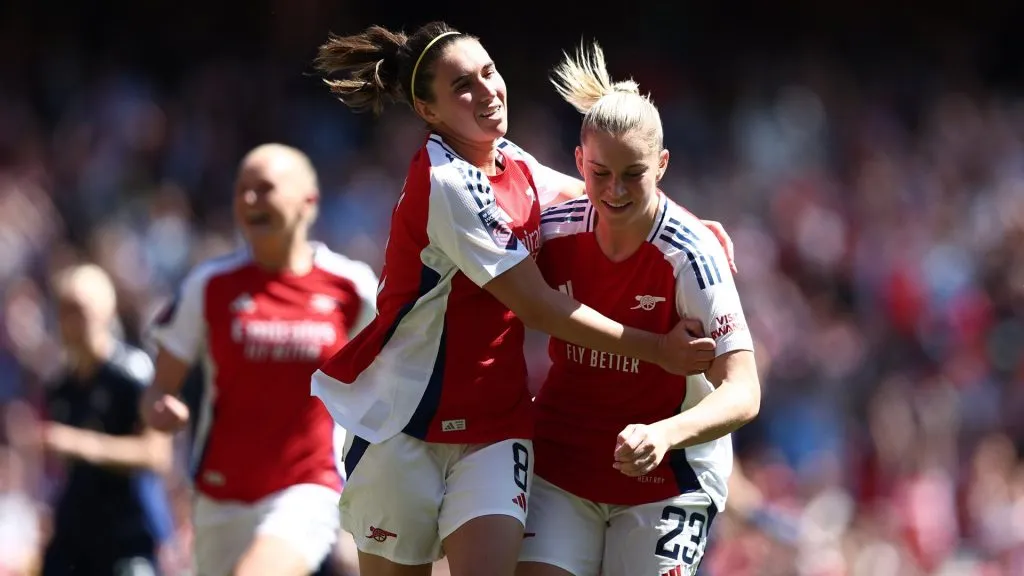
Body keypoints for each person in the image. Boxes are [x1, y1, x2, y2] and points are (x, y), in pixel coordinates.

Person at [309, 21, 735, 576]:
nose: (487, 91)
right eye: (463, 86)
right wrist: (656, 349)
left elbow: (604, 193)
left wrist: (687, 225)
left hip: (495, 425)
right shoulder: (449, 182)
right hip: (405, 420)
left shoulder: (511, 161)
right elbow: (536, 305)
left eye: (489, 72)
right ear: (428, 110)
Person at [517, 43, 762, 576]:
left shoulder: (692, 254)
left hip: (667, 477)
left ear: (663, 165)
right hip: (562, 466)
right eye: (600, 172)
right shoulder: (551, 233)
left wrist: (663, 434)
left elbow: (744, 391)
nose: (615, 191)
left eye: (633, 174)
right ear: (579, 162)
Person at [142, 143, 377, 576]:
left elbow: (393, 385)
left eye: (264, 188)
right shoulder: (209, 285)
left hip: (309, 487)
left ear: (308, 201)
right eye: (241, 190)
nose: (249, 200)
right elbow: (159, 388)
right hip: (219, 497)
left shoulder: (352, 287)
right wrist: (159, 408)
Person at [39, 263, 174, 576]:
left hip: (128, 534)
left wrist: (84, 445)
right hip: (77, 535)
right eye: (64, 311)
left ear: (106, 311)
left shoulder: (133, 375)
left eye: (79, 310)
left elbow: (157, 453)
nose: (71, 322)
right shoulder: (61, 387)